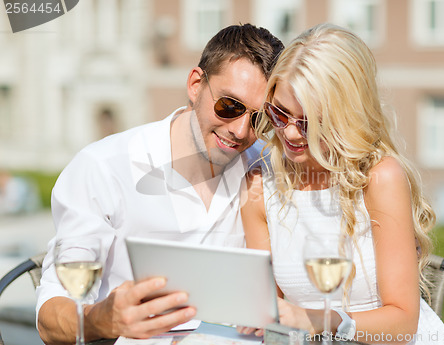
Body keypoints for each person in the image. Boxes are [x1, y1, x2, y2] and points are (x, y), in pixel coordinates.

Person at [36, 23, 284, 344]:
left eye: (259, 118)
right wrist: (103, 319)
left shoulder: (269, 166)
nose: (240, 131)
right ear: (195, 84)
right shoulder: (104, 167)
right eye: (229, 106)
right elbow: (49, 318)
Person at [241, 23, 444, 344]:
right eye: (280, 113)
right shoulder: (260, 186)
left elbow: (403, 324)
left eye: (310, 121)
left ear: (345, 118)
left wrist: (319, 321)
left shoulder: (379, 178)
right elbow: (269, 313)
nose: (290, 133)